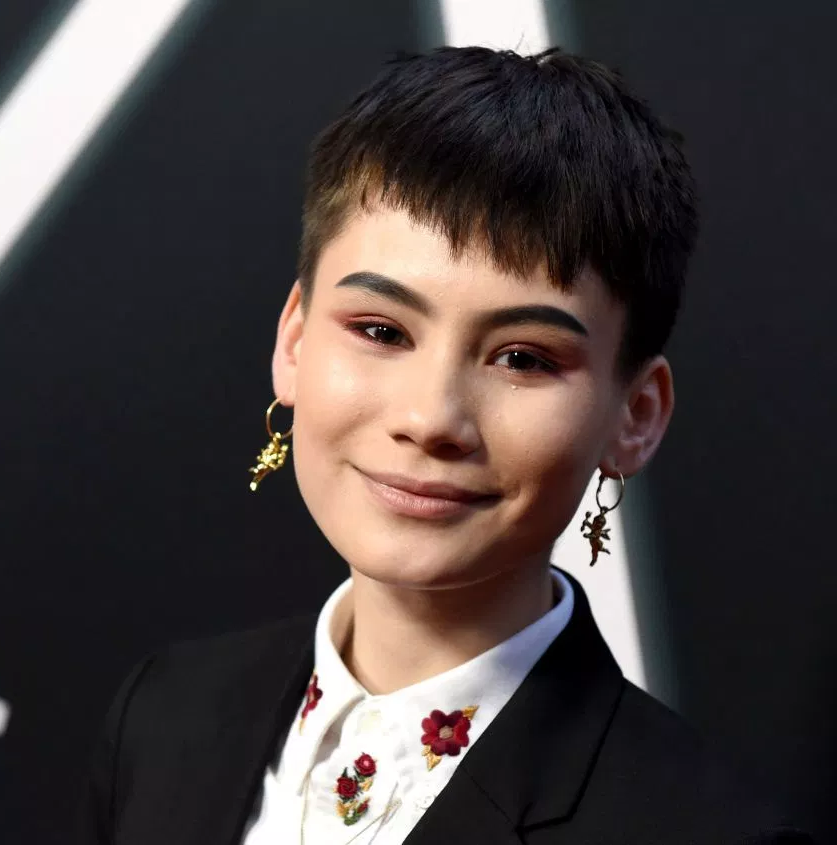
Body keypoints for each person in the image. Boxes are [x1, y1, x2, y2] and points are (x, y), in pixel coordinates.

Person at [82, 46, 813, 844]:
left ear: (635, 416)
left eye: (523, 358)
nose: (430, 418)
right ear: (294, 341)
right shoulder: (165, 715)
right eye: (380, 330)